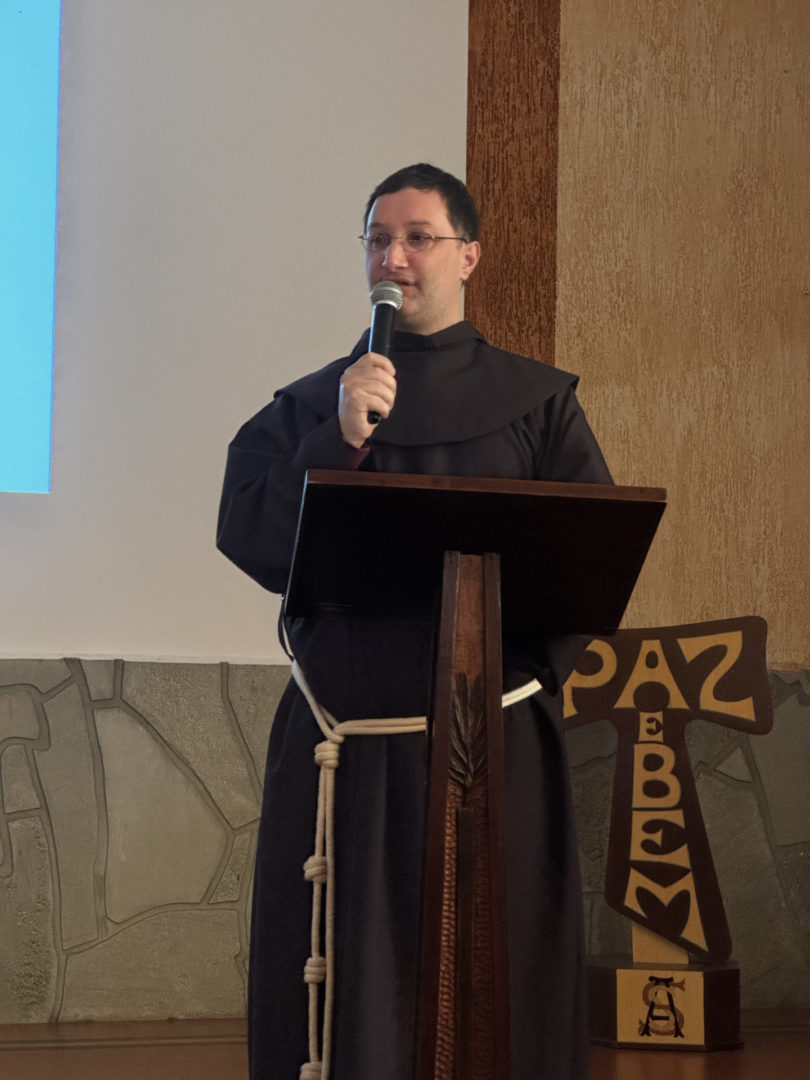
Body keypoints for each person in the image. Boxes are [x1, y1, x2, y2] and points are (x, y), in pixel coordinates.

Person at [217, 163, 612, 1080]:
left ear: (468, 255)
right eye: (378, 239)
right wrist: (341, 439)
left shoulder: (538, 405)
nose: (393, 259)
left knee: (494, 978)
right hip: (346, 745)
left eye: (418, 238)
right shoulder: (316, 404)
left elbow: (592, 557)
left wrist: (514, 683)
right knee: (351, 977)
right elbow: (248, 532)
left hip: (494, 741)